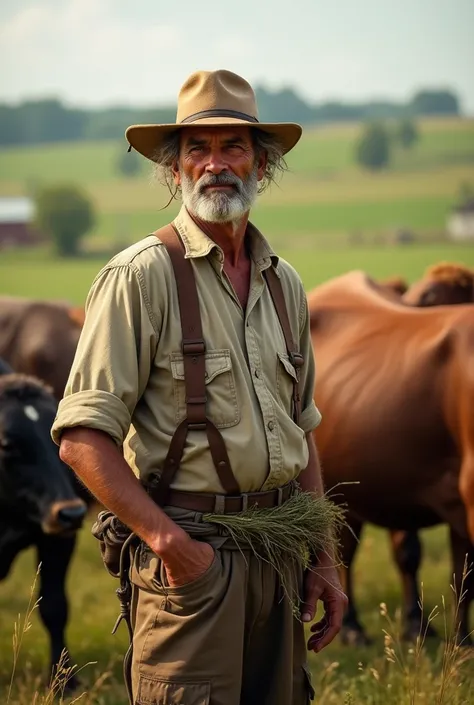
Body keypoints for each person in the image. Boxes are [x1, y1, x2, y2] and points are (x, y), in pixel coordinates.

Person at [52, 69, 347, 705]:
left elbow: (302, 429)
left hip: (280, 556)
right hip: (193, 565)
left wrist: (322, 555)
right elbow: (80, 438)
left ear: (262, 165)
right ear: (174, 170)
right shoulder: (138, 278)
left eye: (233, 146)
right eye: (197, 149)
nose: (216, 164)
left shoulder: (283, 282)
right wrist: (170, 544)